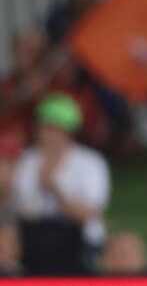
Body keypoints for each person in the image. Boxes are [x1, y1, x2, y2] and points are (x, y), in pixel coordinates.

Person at [11, 93, 110, 274]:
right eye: (45, 128)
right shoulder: (27, 161)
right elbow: (20, 207)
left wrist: (55, 191)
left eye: (55, 129)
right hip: (33, 240)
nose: (48, 135)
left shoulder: (90, 163)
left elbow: (89, 214)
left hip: (80, 241)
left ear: (68, 131)